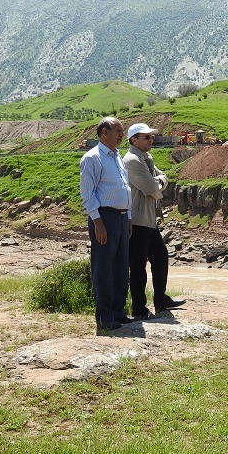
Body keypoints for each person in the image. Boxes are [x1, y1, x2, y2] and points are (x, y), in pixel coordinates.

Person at [123, 123, 185, 320]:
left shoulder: (146, 157)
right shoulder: (132, 160)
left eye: (151, 137)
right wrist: (159, 182)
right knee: (138, 265)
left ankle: (160, 300)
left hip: (148, 219)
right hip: (138, 219)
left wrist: (158, 182)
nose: (151, 140)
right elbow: (153, 188)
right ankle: (139, 308)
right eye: (146, 137)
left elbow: (161, 179)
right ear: (134, 139)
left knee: (160, 257)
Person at [79, 117, 135, 334]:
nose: (122, 135)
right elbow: (87, 194)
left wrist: (128, 217)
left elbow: (124, 188)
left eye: (122, 130)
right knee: (103, 269)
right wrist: (98, 223)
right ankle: (104, 317)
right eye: (118, 131)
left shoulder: (117, 156)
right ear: (104, 133)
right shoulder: (92, 158)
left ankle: (118, 311)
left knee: (121, 267)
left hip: (120, 218)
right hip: (104, 218)